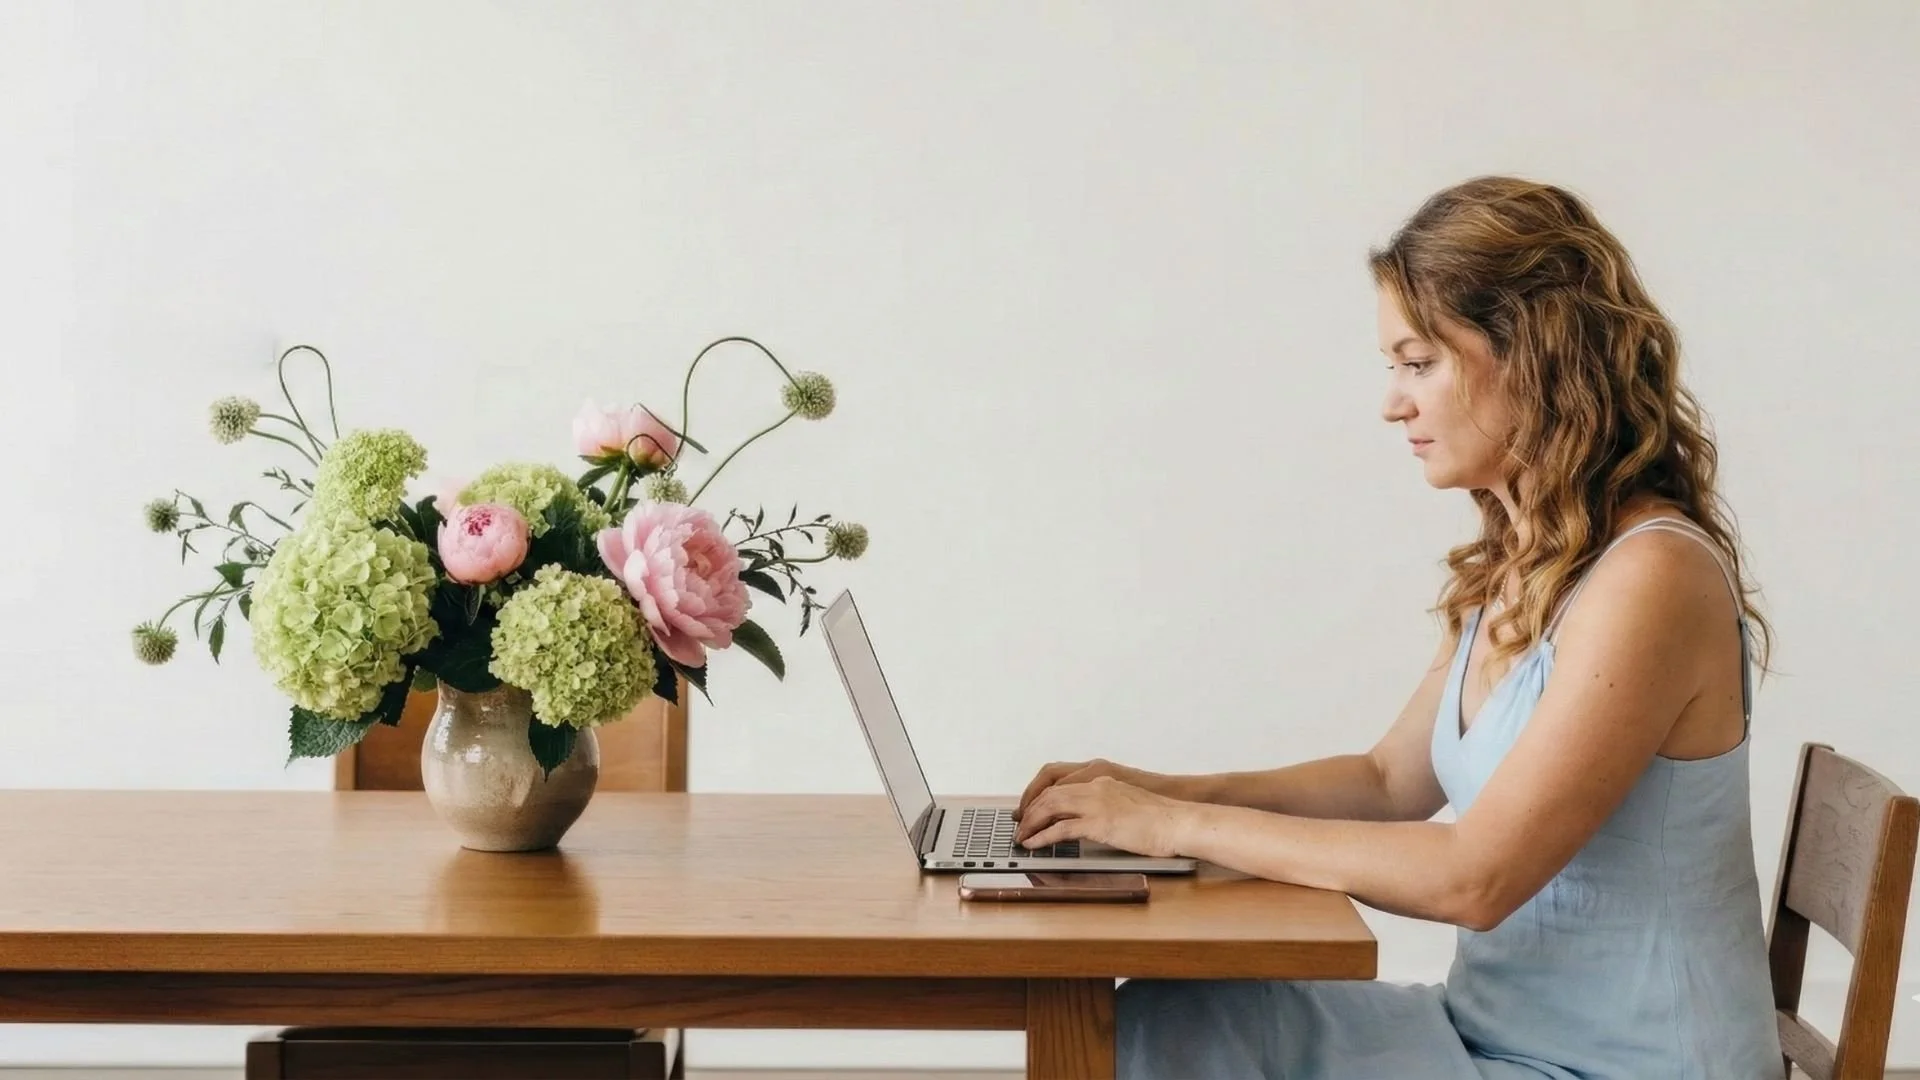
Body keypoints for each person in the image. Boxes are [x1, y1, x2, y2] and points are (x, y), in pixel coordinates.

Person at [1015, 176, 1785, 1080]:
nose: (1393, 402)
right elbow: (1388, 783)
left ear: (1534, 357)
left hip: (1616, 1067)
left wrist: (1174, 825)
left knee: (1161, 1044)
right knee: (1168, 1017)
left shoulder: (1651, 577)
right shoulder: (1527, 556)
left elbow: (1474, 876)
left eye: (1419, 363)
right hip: (1485, 1034)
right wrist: (1151, 792)